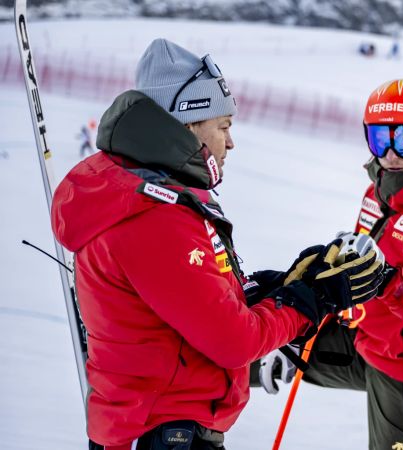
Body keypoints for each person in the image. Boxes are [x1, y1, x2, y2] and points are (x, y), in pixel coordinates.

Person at [51, 38, 384, 450]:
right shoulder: (153, 215)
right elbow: (234, 341)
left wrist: (277, 286)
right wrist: (311, 298)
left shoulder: (146, 191)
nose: (231, 143)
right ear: (188, 124)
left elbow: (192, 306)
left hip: (157, 425)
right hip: (161, 430)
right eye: (224, 127)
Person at [260, 79, 403, 450]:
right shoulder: (380, 189)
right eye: (378, 139)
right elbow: (357, 269)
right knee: (251, 348)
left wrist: (387, 282)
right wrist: (307, 325)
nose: (390, 153)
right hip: (371, 341)